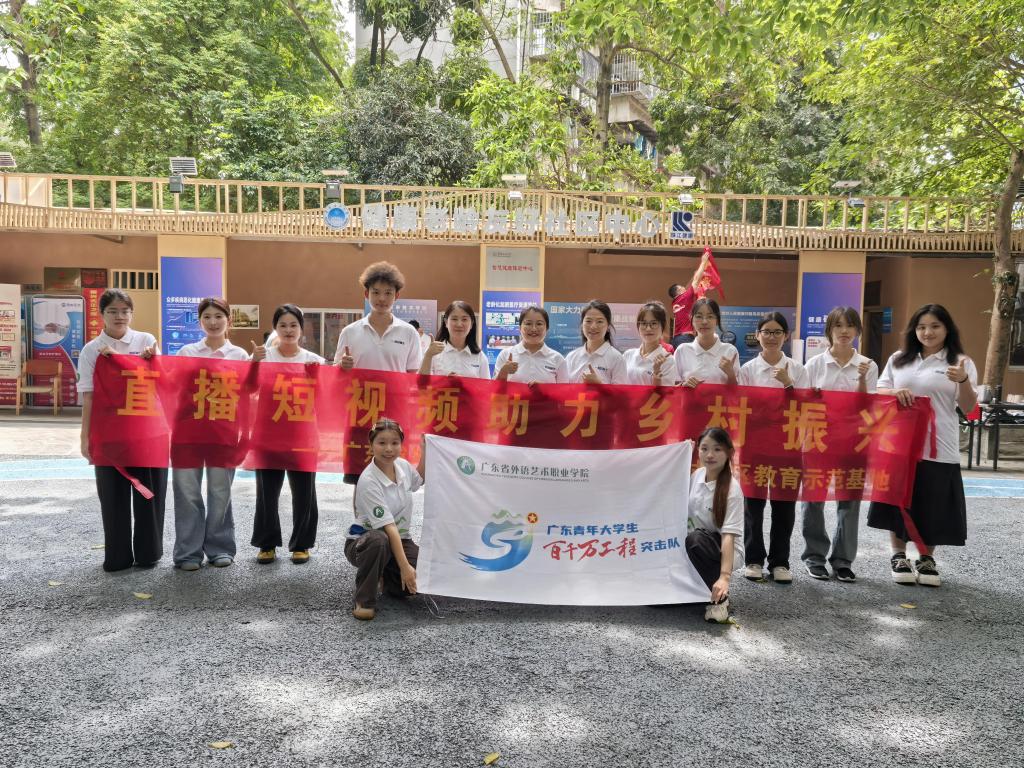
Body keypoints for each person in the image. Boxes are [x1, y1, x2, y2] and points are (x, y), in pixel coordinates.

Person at [867, 304, 977, 587]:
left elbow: (968, 407)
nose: (928, 332)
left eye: (935, 326)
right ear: (913, 330)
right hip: (899, 444)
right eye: (921, 327)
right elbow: (878, 391)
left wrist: (963, 380)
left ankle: (926, 558)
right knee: (898, 500)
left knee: (933, 502)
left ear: (947, 329)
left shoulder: (960, 362)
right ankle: (898, 555)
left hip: (939, 445)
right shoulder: (899, 359)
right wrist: (895, 392)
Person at [77, 288, 165, 572]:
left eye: (125, 311)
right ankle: (118, 556)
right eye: (113, 311)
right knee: (113, 497)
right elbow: (89, 396)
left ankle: (149, 553)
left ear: (132, 314)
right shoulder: (92, 350)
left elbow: (162, 384)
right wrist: (85, 437)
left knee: (148, 494)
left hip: (147, 433)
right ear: (101, 314)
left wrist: (154, 361)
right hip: (109, 434)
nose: (119, 316)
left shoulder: (146, 341)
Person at [801, 307, 878, 583]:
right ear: (829, 330)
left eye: (850, 326)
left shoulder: (868, 365)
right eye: (838, 326)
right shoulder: (814, 365)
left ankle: (843, 560)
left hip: (853, 443)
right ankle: (814, 557)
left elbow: (867, 407)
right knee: (814, 500)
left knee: (849, 501)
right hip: (818, 441)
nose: (844, 331)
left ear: (857, 330)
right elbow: (802, 403)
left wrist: (861, 379)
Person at [172, 297, 250, 571]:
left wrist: (245, 434)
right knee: (187, 493)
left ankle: (220, 548)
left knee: (220, 492)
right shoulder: (187, 352)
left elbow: (247, 396)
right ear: (199, 321)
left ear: (229, 320)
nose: (213, 322)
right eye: (207, 317)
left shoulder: (239, 356)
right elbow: (171, 386)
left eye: (219, 316)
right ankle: (188, 552)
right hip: (187, 433)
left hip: (223, 434)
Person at [737, 311, 809, 584]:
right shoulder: (747, 370)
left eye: (777, 332)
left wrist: (789, 384)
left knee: (784, 505)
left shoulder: (798, 369)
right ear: (758, 336)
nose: (771, 337)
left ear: (786, 336)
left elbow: (807, 408)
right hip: (754, 445)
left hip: (788, 446)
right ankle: (753, 559)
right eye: (766, 332)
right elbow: (741, 407)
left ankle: (780, 562)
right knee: (753, 504)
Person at [335, 261, 423, 483]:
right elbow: (335, 376)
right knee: (359, 476)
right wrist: (343, 367)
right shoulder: (350, 332)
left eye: (388, 293)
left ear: (397, 296)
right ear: (366, 294)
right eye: (375, 292)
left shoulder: (408, 332)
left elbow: (413, 375)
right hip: (360, 412)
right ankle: (361, 508)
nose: (381, 298)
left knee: (394, 474)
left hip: (395, 412)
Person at [250, 304, 325, 565]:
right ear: (275, 328)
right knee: (267, 493)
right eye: (282, 325)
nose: (288, 330)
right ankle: (266, 543)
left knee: (304, 492)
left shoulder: (313, 360)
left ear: (301, 329)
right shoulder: (264, 357)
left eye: (293, 325)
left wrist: (317, 377)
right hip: (268, 434)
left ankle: (301, 544)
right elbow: (249, 388)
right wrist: (253, 363)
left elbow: (324, 398)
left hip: (302, 435)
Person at [346, 418, 424, 621]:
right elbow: (389, 528)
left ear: (401, 444)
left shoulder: (403, 466)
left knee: (420, 579)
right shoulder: (368, 480)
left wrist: (426, 451)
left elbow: (419, 480)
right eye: (382, 443)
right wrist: (405, 567)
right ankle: (364, 599)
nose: (389, 449)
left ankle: (387, 579)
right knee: (379, 541)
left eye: (394, 443)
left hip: (400, 539)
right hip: (365, 542)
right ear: (371, 444)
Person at [686, 428, 745, 623]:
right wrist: (681, 454)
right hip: (695, 545)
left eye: (717, 449)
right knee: (657, 604)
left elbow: (728, 536)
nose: (709, 455)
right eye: (704, 449)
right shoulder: (697, 475)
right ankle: (699, 590)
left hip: (723, 549)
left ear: (729, 452)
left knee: (696, 540)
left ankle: (720, 600)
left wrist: (724, 577)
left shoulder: (732, 491)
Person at [674, 297, 740, 387]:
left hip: (719, 397)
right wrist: (684, 385)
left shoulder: (730, 350)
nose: (704, 322)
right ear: (691, 319)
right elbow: (673, 388)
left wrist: (731, 374)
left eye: (710, 316)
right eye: (699, 316)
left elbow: (736, 391)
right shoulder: (682, 350)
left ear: (717, 320)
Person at [494, 306, 570, 384]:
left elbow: (564, 391)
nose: (534, 329)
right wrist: (503, 372)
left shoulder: (558, 359)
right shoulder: (505, 355)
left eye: (539, 324)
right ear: (520, 328)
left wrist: (545, 389)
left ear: (547, 328)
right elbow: (493, 389)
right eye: (528, 323)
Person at [419, 301, 490, 378]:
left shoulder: (479, 357)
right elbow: (421, 383)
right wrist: (428, 355)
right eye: (454, 319)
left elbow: (486, 385)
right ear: (446, 322)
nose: (459, 324)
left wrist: (464, 382)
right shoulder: (433, 352)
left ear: (471, 324)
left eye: (464, 319)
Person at [565, 300, 629, 384]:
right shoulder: (571, 357)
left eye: (599, 321)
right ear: (582, 325)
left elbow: (621, 391)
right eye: (588, 321)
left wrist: (599, 384)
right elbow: (563, 388)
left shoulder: (617, 358)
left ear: (608, 326)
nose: (593, 326)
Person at [623, 302, 680, 386]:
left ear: (662, 326)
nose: (648, 328)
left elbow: (665, 393)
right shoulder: (628, 355)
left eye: (654, 323)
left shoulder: (668, 360)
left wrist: (656, 373)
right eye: (644, 323)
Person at [668, 249, 712, 348]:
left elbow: (691, 284)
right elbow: (695, 281)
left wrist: (696, 273)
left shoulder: (676, 302)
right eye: (682, 288)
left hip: (676, 339)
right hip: (685, 338)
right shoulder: (684, 297)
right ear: (678, 291)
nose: (685, 288)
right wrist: (703, 262)